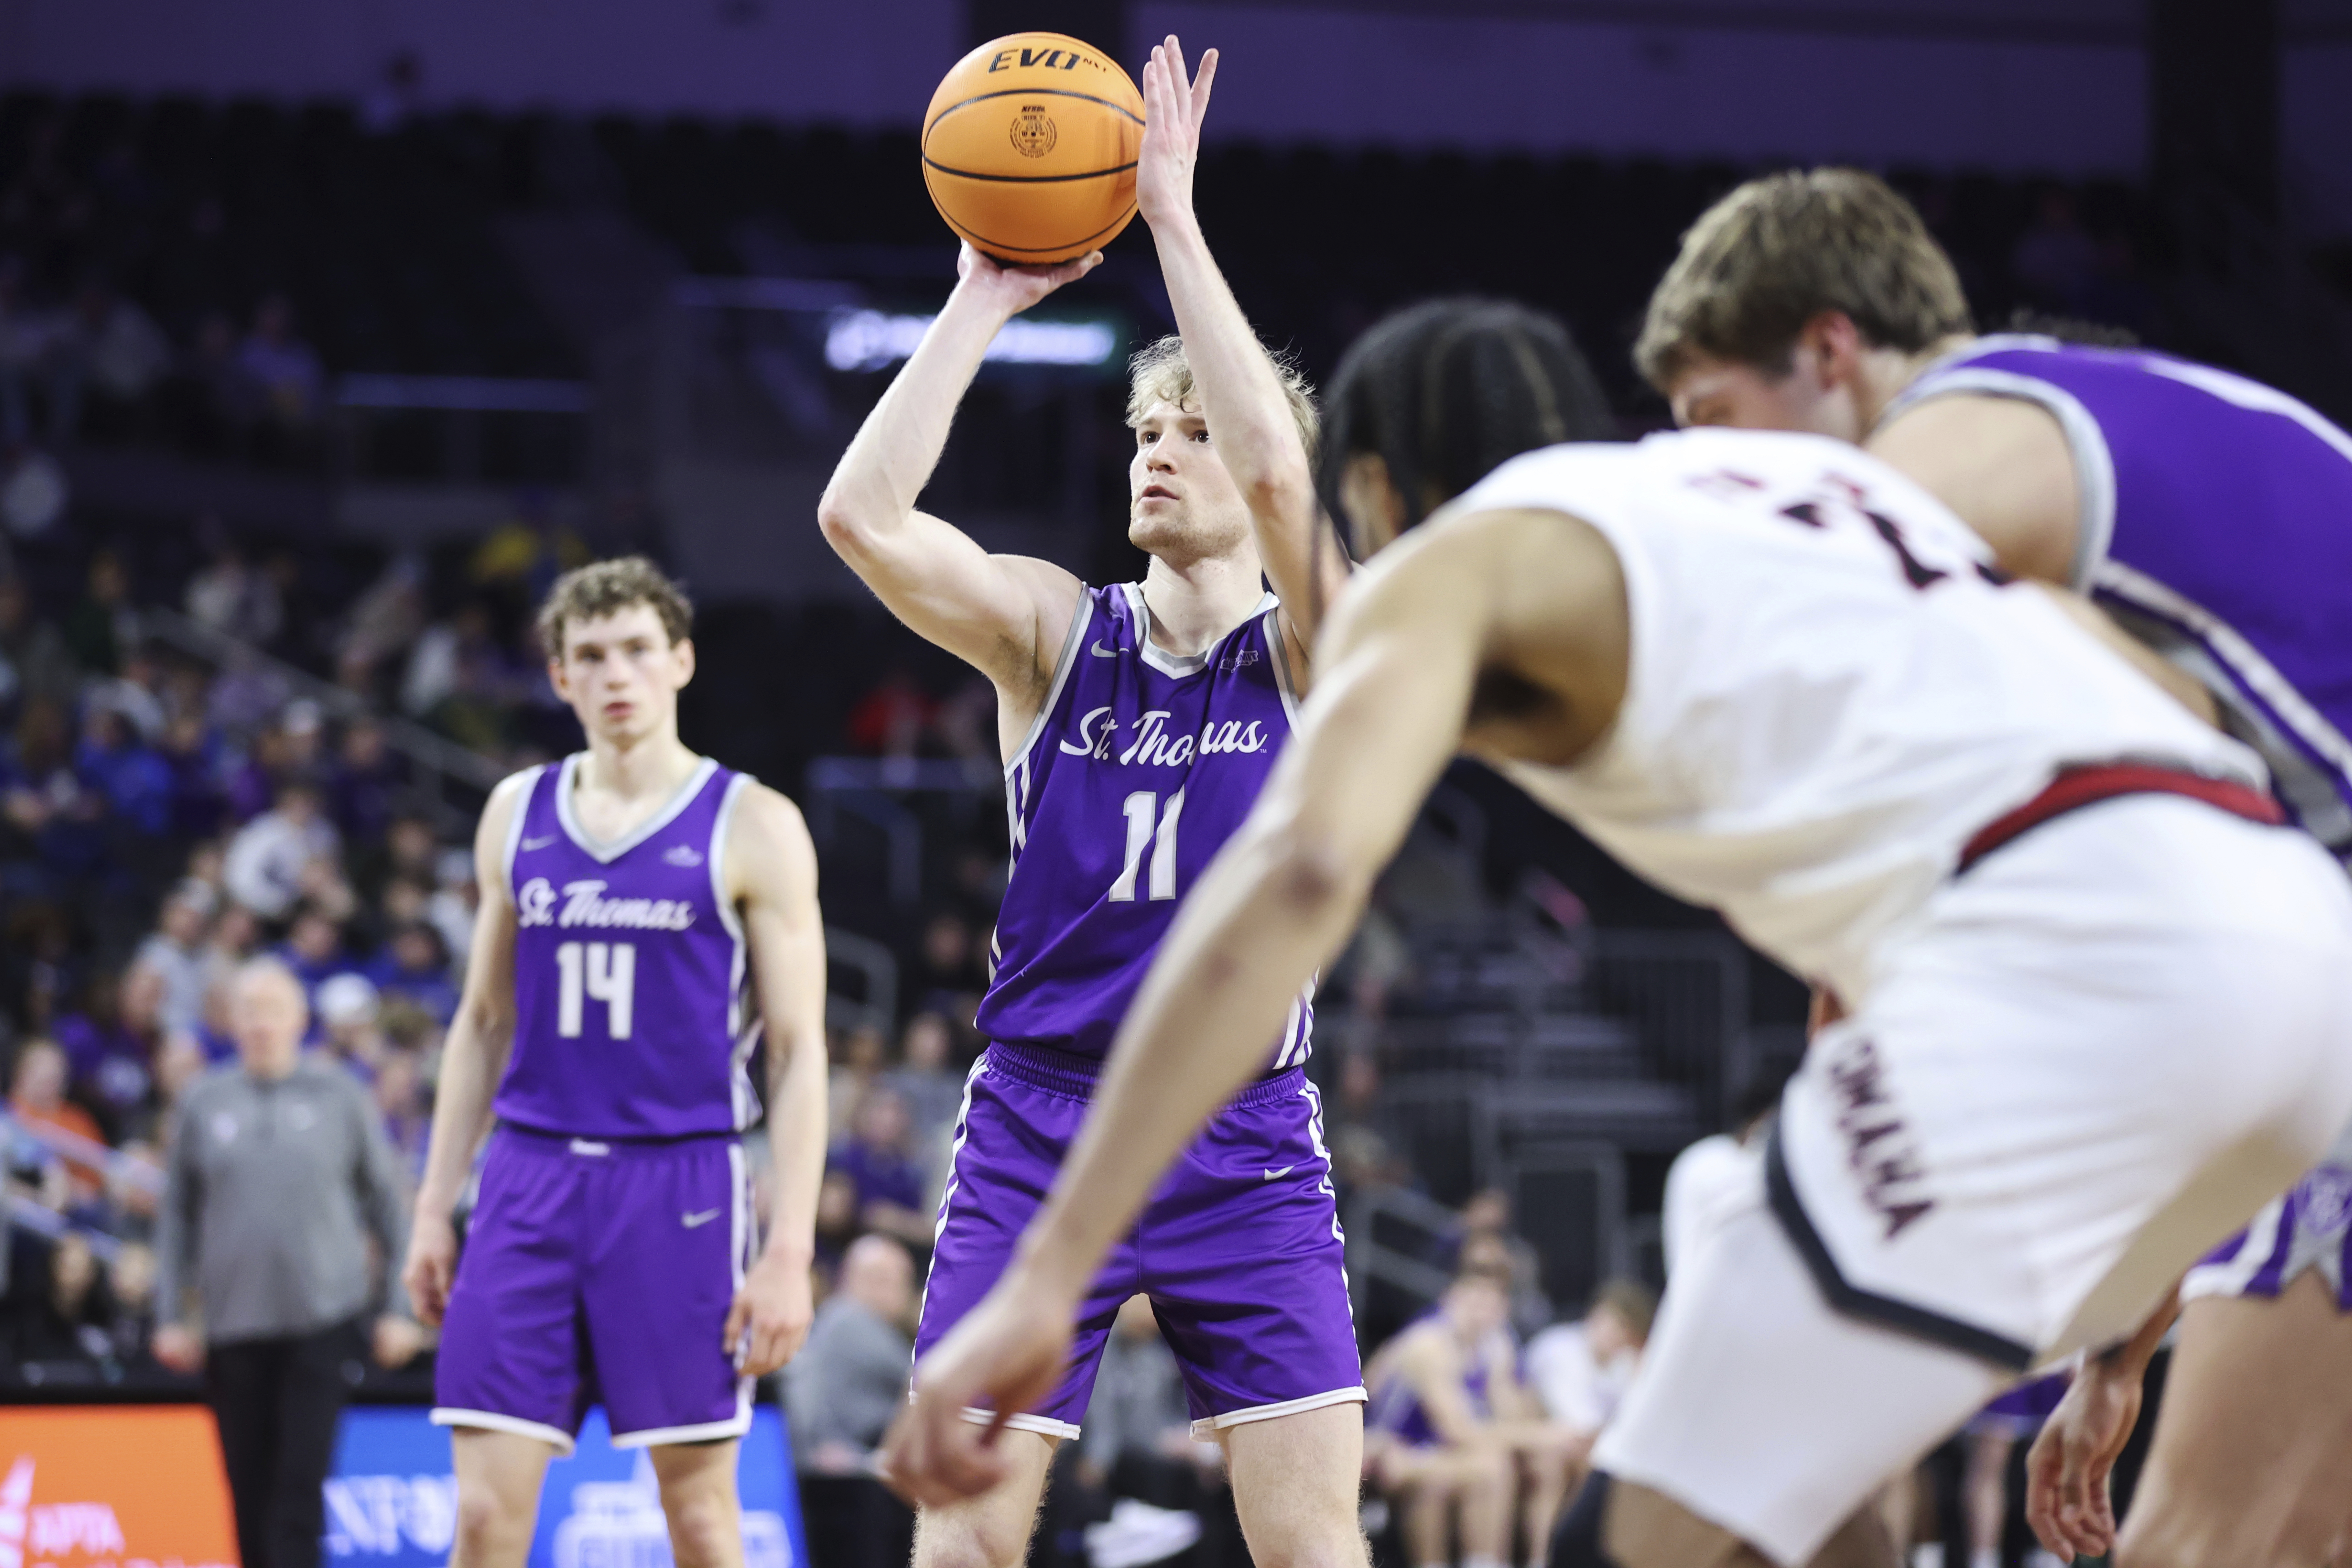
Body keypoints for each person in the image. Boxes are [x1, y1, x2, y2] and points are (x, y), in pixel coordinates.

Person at [877, 298, 2352, 1568]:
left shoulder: (1444, 584)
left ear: (1369, 494)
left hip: (2074, 980)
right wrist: (2114, 1347)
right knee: (2191, 1525)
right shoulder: (1799, 496)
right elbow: (2169, 768)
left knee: (1650, 1525)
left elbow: (1310, 865)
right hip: (2287, 927)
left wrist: (1046, 1260)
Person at [1636, 166, 2352, 1568]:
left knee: (2198, 1546)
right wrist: (2114, 1351)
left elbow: (1886, 919)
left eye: (1719, 422)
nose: (1718, 482)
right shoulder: (2113, 440)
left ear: (1831, 353)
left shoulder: (1937, 456)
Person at [818, 38, 1359, 1568]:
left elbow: (1276, 474)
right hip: (1036, 1115)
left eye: (1184, 429)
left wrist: (1171, 220)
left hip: (1238, 1123)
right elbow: (859, 517)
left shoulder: (1314, 641)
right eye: (1138, 432)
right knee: (965, 1548)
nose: (1155, 453)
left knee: (1313, 1548)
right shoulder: (1057, 631)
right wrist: (978, 300)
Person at [398, 557, 829, 1568]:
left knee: (705, 1523)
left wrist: (791, 1246)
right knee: (483, 1520)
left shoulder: (753, 822)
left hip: (680, 1179)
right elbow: (481, 1020)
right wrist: (431, 1202)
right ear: (558, 676)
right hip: (529, 1174)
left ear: (680, 659)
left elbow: (801, 1049)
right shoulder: (515, 811)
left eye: (637, 649)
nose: (615, 674)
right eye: (589, 655)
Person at [152, 957, 422, 1568]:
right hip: (230, 1326)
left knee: (298, 1495)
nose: (261, 1024)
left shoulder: (341, 1094)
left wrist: (397, 1309)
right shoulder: (203, 1100)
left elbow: (389, 1206)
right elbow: (175, 1220)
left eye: (273, 1010)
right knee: (247, 1496)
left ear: (300, 1019)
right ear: (231, 1020)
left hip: (322, 1322)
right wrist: (171, 1314)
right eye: (250, 1011)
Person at [1366, 1253, 1579, 1568]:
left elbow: (1510, 1418)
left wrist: (1508, 1392)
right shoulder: (1428, 1343)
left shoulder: (1494, 1346)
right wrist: (1540, 1435)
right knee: (1490, 1466)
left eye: (1493, 1301)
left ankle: (1539, 1558)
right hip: (1390, 1453)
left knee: (1539, 1462)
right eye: (1475, 1298)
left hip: (1439, 1452)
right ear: (1451, 1298)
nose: (1483, 1309)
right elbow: (1457, 1429)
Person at [790, 1232, 919, 1474]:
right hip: (833, 1461)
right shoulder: (849, 1320)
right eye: (879, 1280)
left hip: (843, 1451)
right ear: (847, 1279)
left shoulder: (835, 1320)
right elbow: (919, 1380)